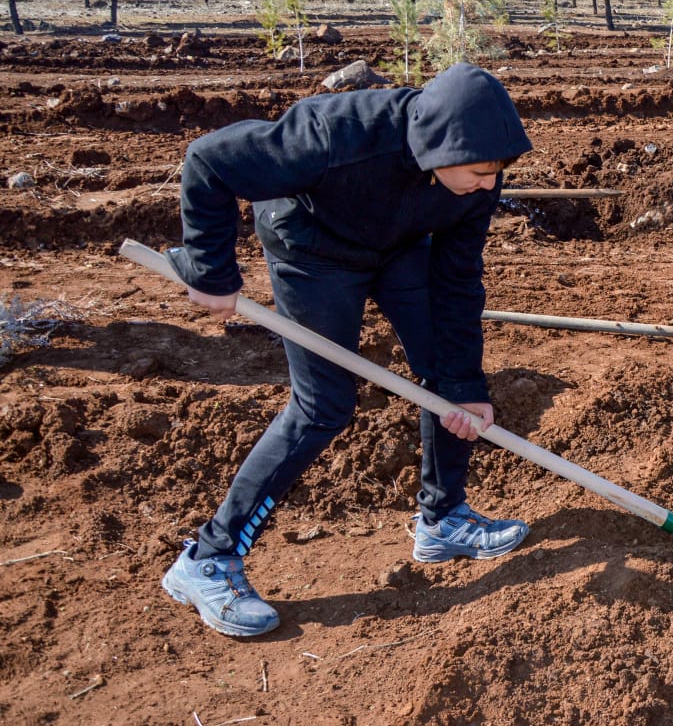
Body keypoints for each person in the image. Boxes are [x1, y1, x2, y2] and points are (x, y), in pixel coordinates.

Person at [159, 62, 534, 637]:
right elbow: (209, 160)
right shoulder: (335, 135)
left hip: (397, 245)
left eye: (497, 172)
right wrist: (210, 268)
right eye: (481, 172)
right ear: (439, 147)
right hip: (312, 251)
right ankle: (208, 559)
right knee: (324, 407)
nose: (491, 184)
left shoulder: (478, 174)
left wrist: (465, 386)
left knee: (446, 377)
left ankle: (442, 520)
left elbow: (458, 281)